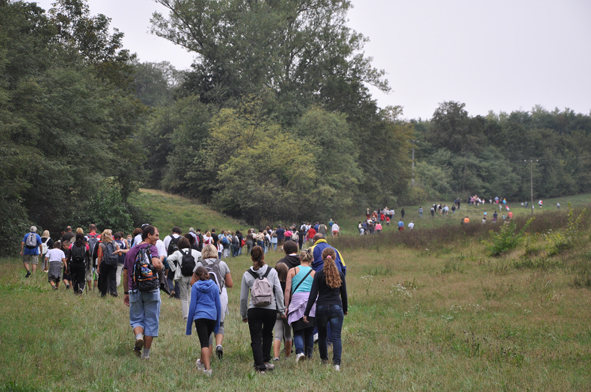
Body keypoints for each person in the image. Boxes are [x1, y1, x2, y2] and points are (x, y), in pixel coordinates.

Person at [240, 246, 284, 373]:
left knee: (256, 337)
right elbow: (279, 292)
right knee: (268, 334)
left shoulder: (247, 275)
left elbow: (243, 298)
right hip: (271, 309)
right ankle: (266, 360)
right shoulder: (272, 272)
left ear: (251, 258)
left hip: (254, 309)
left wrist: (244, 314)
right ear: (263, 257)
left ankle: (260, 366)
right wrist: (281, 309)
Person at [122, 225, 163, 360]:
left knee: (136, 319)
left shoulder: (131, 251)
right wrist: (160, 265)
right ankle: (145, 355)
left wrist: (126, 292)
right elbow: (157, 264)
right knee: (151, 321)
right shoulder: (152, 248)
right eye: (156, 235)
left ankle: (139, 336)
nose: (157, 238)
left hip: (134, 288)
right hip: (151, 289)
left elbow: (126, 273)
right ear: (148, 235)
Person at [304, 247, 347, 371]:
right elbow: (343, 295)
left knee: (322, 336)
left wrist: (306, 312)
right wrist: (345, 309)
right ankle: (337, 364)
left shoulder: (318, 274)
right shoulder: (340, 274)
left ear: (322, 258)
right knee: (336, 337)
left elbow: (313, 295)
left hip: (321, 308)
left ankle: (324, 360)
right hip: (336, 308)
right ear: (334, 258)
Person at [192, 244, 232, 360]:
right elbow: (230, 284)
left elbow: (192, 283)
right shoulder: (222, 264)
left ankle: (207, 353)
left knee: (206, 324)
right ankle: (218, 344)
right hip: (220, 296)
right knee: (220, 323)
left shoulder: (199, 264)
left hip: (203, 299)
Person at [186, 266, 221, 377]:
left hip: (200, 317)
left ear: (196, 276)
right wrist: (217, 324)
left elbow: (192, 307)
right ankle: (201, 362)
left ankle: (207, 369)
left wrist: (188, 326)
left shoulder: (195, 287)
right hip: (212, 317)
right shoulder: (214, 286)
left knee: (204, 343)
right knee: (205, 339)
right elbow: (218, 306)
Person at [285, 248, 316, 362]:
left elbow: (288, 289)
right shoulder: (314, 273)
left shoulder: (292, 271)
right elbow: (316, 291)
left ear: (300, 258)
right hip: (311, 303)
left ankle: (299, 352)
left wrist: (287, 306)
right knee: (310, 330)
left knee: (298, 330)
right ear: (311, 259)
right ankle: (309, 354)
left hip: (297, 301)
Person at [167, 237, 202, 320]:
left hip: (182, 276)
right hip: (193, 275)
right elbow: (202, 257)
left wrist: (174, 269)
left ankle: (185, 316)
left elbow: (169, 259)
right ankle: (192, 314)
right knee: (191, 294)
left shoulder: (177, 252)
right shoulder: (195, 252)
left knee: (184, 297)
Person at [272, 262, 292, 361]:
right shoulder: (289, 284)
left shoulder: (273, 285)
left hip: (276, 311)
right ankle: (287, 356)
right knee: (288, 334)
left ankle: (276, 356)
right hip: (287, 311)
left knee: (278, 334)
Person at [97, 229, 120, 297]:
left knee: (104, 278)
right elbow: (120, 253)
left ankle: (103, 293)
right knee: (113, 277)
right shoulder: (115, 243)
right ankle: (113, 291)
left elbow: (100, 256)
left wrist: (98, 266)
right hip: (113, 263)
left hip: (105, 262)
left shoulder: (101, 244)